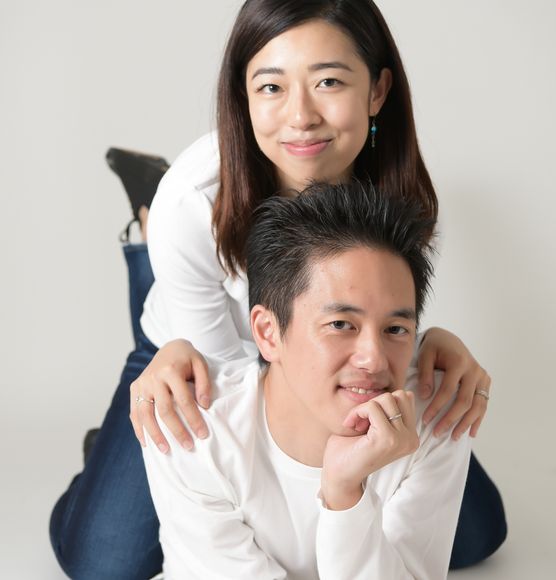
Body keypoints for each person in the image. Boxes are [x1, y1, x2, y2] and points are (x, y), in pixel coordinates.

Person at [49, 1, 506, 578]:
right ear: (242, 97)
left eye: (329, 82)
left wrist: (427, 343)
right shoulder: (192, 201)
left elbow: (372, 323)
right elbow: (233, 399)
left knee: (475, 535)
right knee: (104, 562)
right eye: (271, 86)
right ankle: (146, 242)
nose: (301, 116)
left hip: (326, 354)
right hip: (198, 356)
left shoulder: (396, 190)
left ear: (377, 90)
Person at [143, 181, 472, 579]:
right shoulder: (192, 426)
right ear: (267, 333)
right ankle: (142, 237)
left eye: (396, 329)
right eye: (341, 324)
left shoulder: (438, 414)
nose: (373, 359)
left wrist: (344, 493)